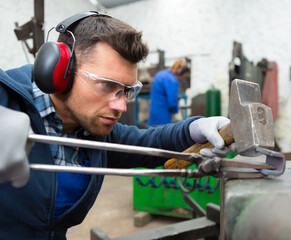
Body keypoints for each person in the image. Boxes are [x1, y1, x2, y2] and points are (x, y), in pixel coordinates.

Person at [0, 11, 231, 239]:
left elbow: (152, 142)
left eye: (126, 91)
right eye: (106, 86)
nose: (121, 106)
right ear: (61, 71)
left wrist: (196, 129)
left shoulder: (96, 135)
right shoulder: (5, 101)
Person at [147, 58, 190, 127]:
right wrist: (176, 109)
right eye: (182, 77)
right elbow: (172, 103)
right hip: (163, 119)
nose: (180, 78)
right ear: (180, 71)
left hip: (153, 117)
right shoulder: (172, 80)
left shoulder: (160, 74)